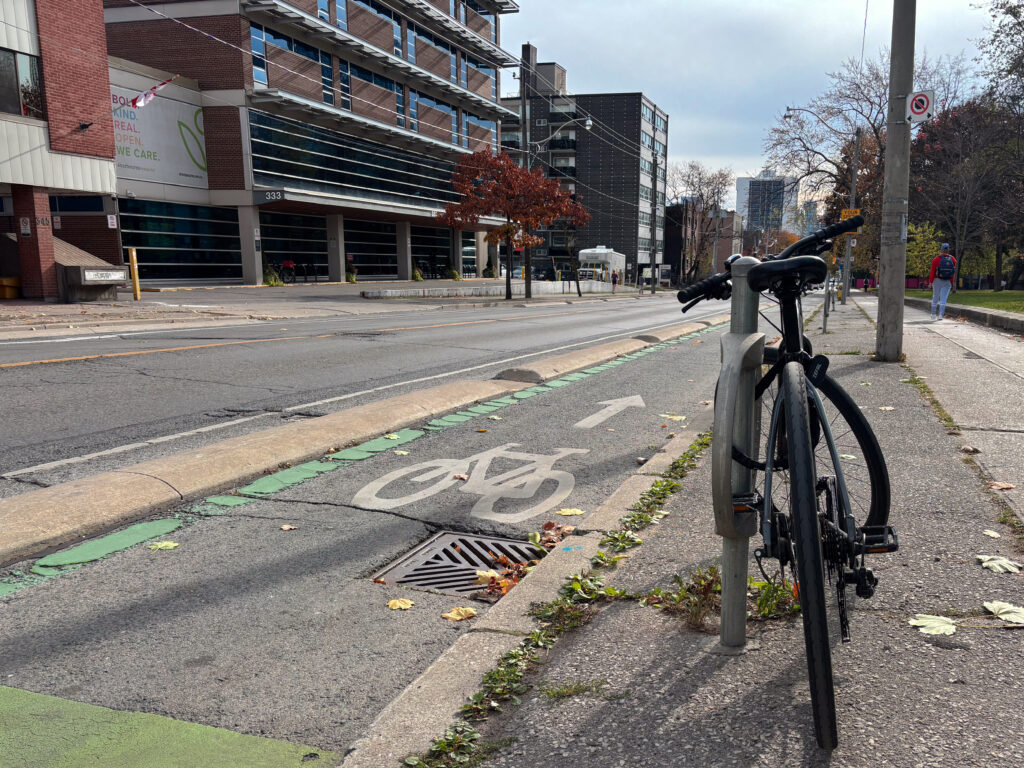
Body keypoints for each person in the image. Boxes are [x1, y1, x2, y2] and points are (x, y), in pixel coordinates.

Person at [929, 243, 957, 321]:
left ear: (941, 250)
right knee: (943, 299)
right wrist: (951, 282)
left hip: (937, 280)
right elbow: (953, 272)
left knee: (935, 297)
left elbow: (932, 271)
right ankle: (940, 315)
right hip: (947, 281)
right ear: (948, 250)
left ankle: (933, 314)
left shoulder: (936, 259)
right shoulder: (953, 259)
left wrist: (930, 282)